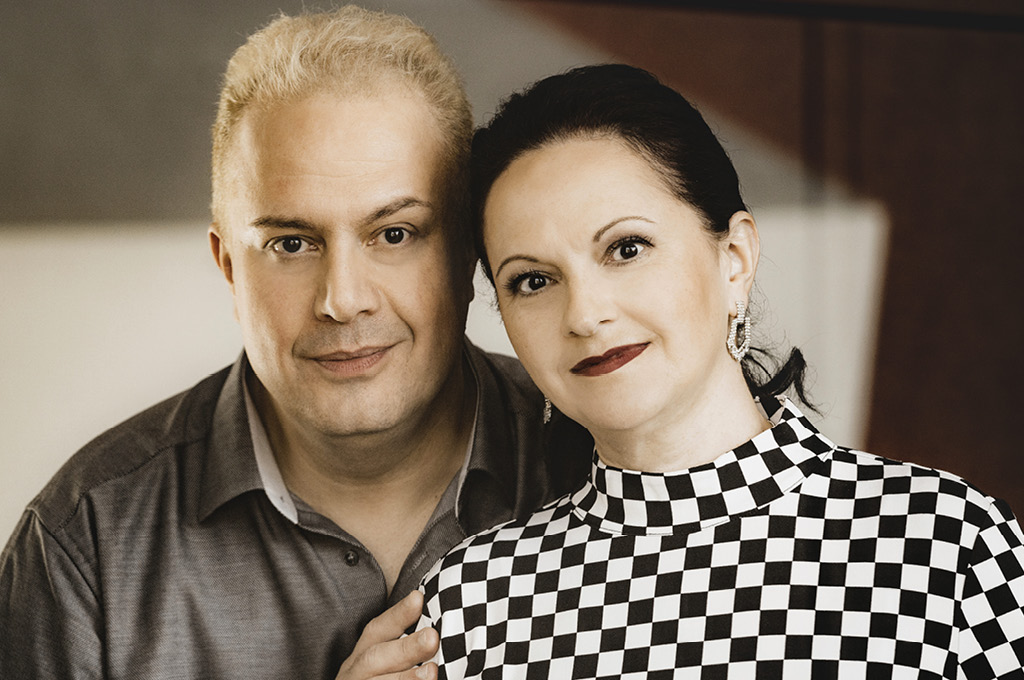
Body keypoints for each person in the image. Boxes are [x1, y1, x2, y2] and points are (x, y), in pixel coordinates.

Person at [0, 8, 590, 679]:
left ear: (466, 254)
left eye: (394, 234)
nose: (342, 299)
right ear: (230, 268)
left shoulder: (605, 462)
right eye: (290, 244)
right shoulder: (83, 548)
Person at [417, 64, 1024, 678]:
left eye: (626, 249)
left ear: (734, 258)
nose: (584, 314)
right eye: (533, 281)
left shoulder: (946, 546)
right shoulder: (472, 604)